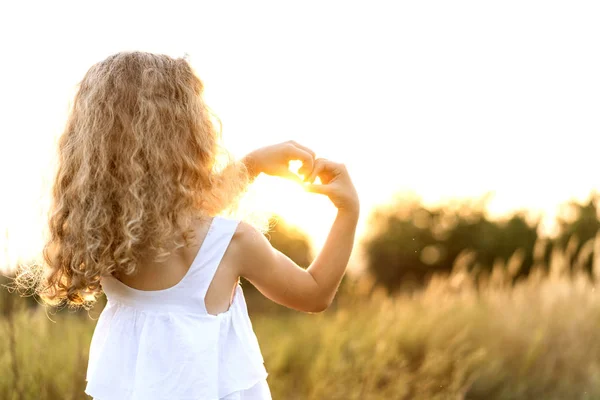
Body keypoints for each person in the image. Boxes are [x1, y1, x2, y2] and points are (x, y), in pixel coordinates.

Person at [30, 51, 359, 400]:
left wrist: (254, 165)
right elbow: (314, 291)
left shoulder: (107, 242)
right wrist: (347, 211)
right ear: (191, 134)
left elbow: (170, 214)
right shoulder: (233, 244)